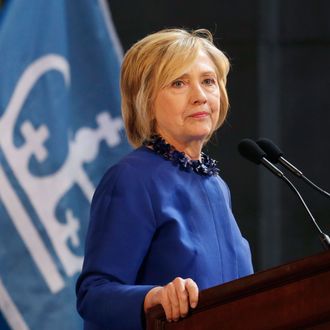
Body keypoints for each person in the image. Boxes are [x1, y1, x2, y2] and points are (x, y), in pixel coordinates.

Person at [76, 28, 253, 330]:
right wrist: (155, 298)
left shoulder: (216, 186)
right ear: (145, 99)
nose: (200, 96)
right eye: (178, 83)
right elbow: (94, 295)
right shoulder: (132, 179)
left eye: (208, 81)